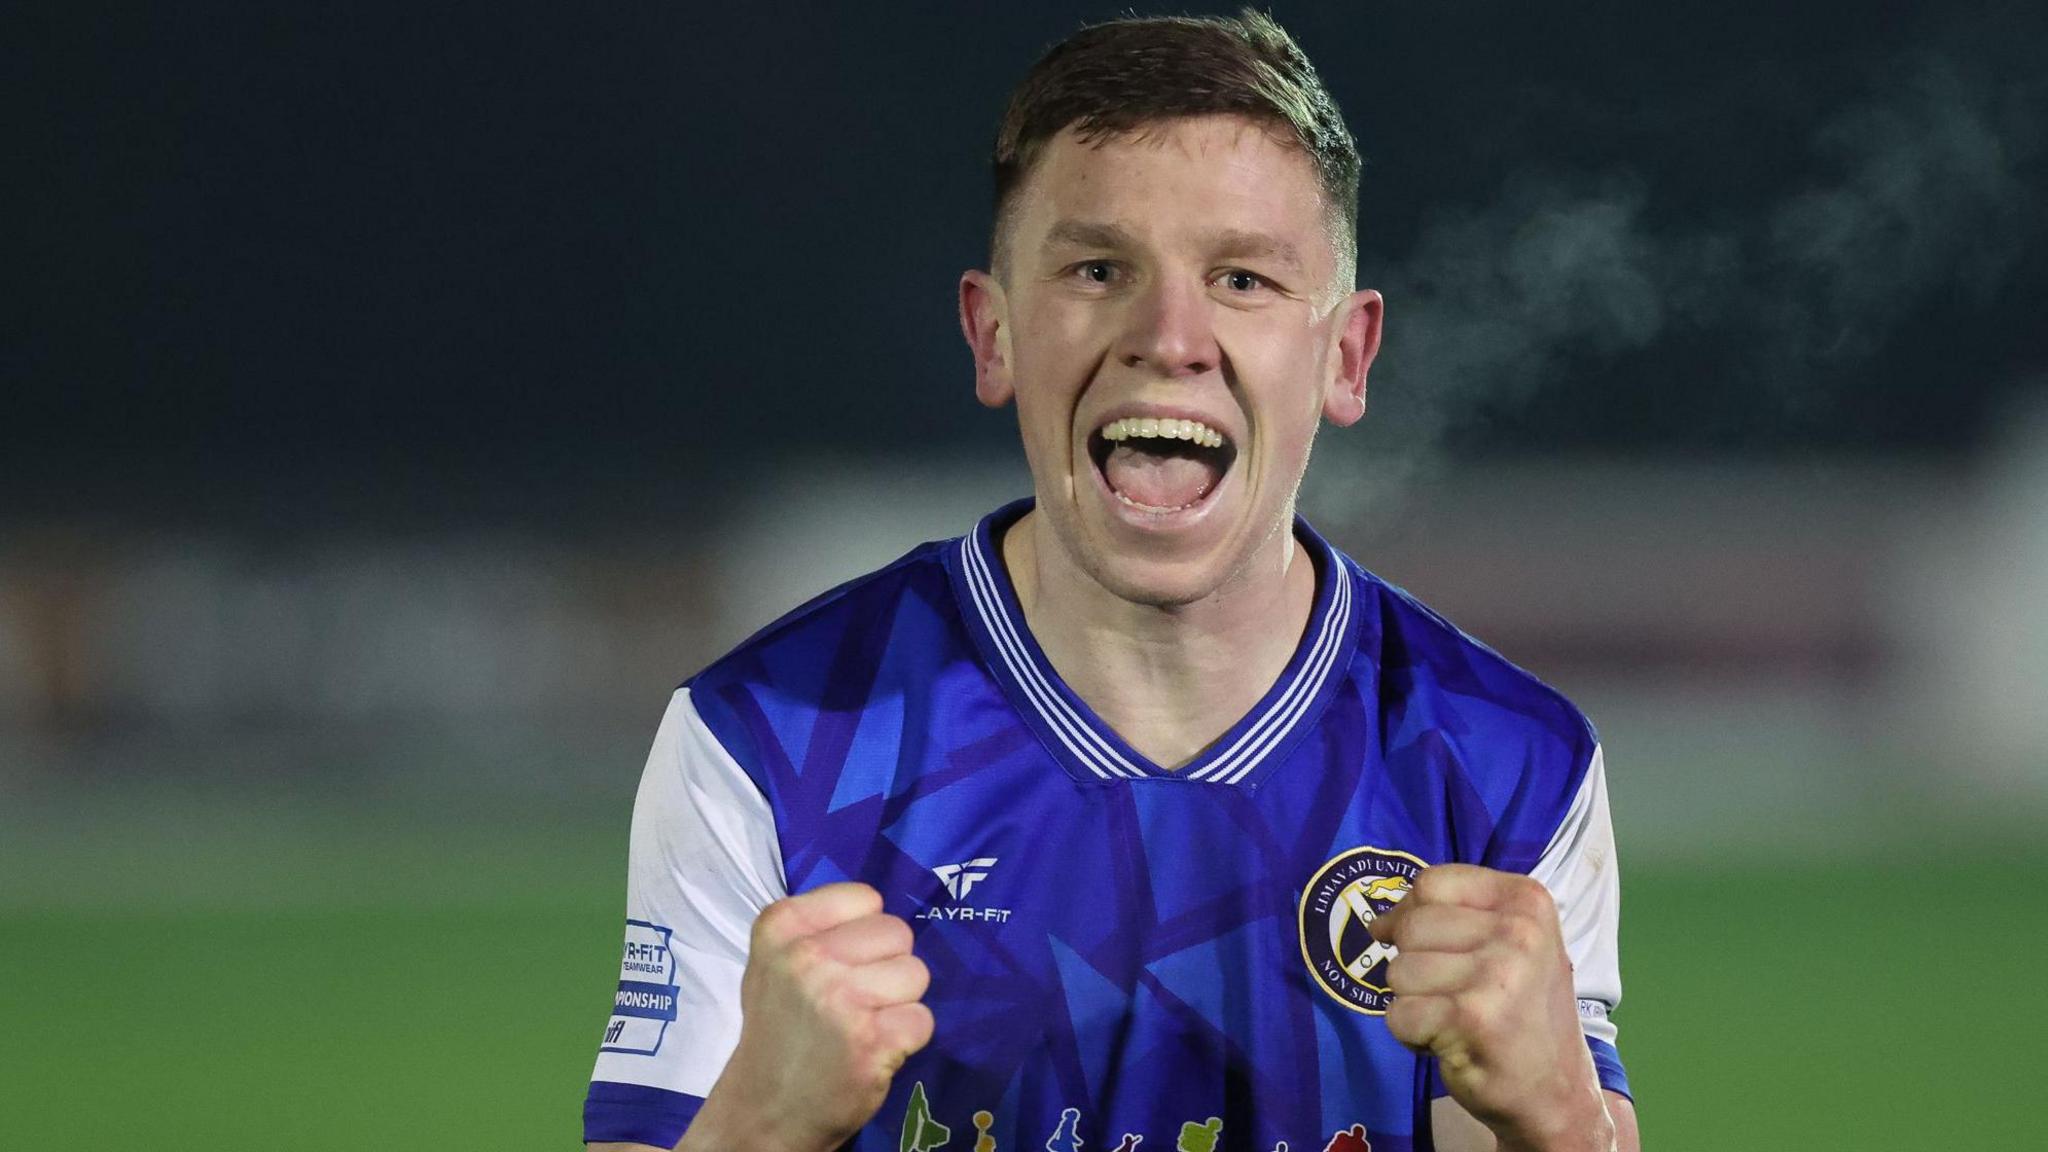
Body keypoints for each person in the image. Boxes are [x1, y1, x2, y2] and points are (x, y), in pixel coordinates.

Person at [585, 11, 1639, 1152]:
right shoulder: (770, 743)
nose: (1168, 337)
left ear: (1343, 357)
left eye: (1240, 277)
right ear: (993, 336)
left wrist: (1559, 1121)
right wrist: (753, 1126)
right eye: (1098, 269)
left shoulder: (1502, 762)